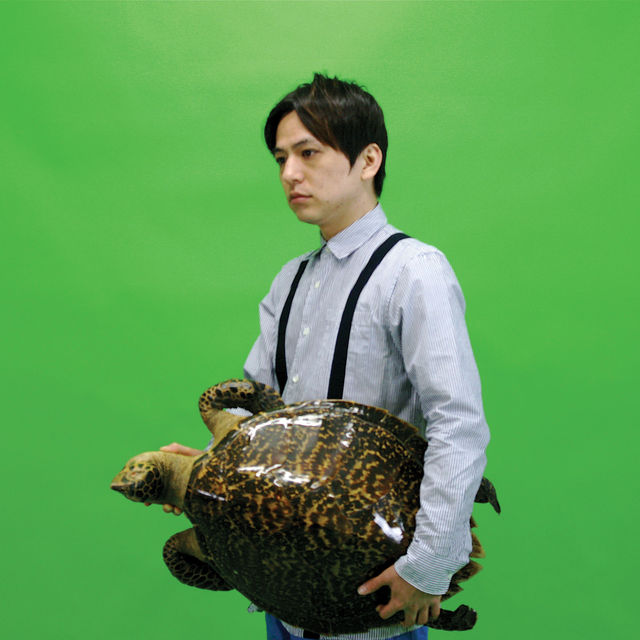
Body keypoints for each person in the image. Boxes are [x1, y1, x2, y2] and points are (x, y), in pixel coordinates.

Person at [161, 74, 490, 640]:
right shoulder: (290, 281)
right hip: (285, 587)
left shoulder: (414, 272)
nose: (290, 173)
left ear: (368, 160)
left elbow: (458, 423)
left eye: (308, 153)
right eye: (280, 158)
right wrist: (205, 472)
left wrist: (428, 566)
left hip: (374, 597)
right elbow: (257, 415)